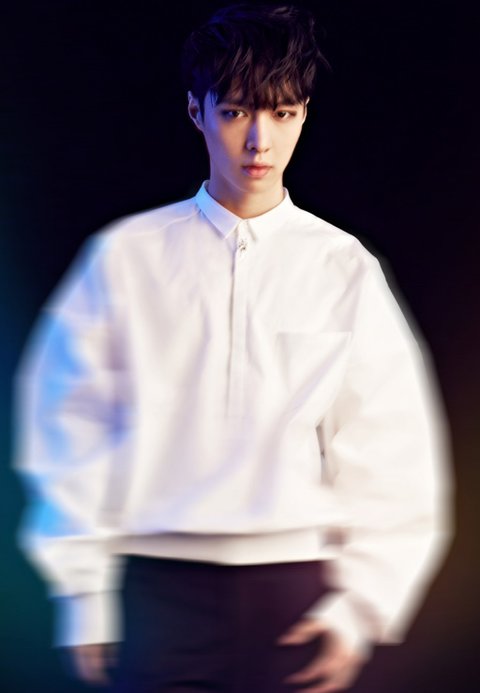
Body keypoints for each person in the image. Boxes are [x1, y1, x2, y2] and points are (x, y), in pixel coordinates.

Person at [12, 3, 452, 692]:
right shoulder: (126, 258)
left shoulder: (343, 267)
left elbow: (391, 440)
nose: (258, 141)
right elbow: (69, 421)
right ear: (197, 111)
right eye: (236, 111)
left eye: (283, 114)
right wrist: (83, 591)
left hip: (296, 594)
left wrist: (362, 605)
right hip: (155, 591)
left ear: (303, 116)